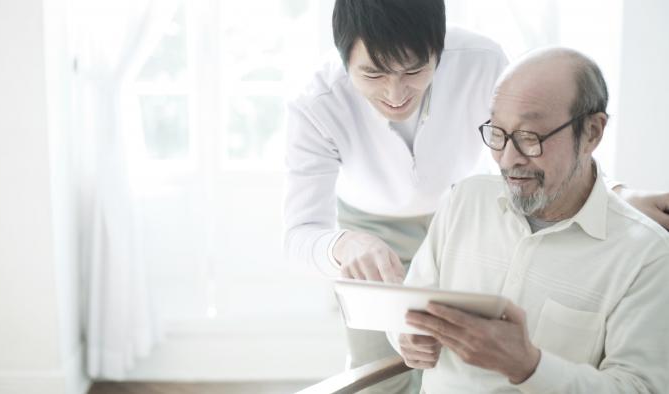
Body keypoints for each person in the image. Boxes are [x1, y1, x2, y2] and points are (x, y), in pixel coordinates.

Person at [284, 0, 669, 392]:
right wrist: (344, 246)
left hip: (469, 212)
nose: (395, 93)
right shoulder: (316, 104)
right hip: (373, 226)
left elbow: (543, 123)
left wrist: (614, 196)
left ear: (440, 48)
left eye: (415, 70)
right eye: (373, 74)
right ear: (344, 59)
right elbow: (300, 231)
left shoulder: (481, 63)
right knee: (386, 371)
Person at [389, 47, 669, 393]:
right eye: (498, 133)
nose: (508, 159)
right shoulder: (465, 200)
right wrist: (406, 336)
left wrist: (529, 366)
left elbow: (640, 388)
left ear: (593, 132)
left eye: (529, 137)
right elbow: (408, 307)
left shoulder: (646, 255)